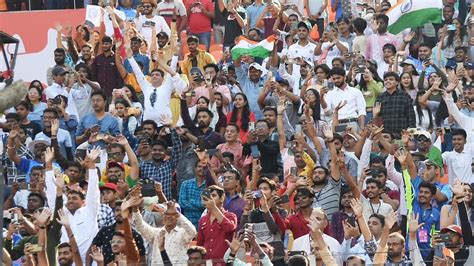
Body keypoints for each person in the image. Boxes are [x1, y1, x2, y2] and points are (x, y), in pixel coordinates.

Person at [140, 116, 181, 199]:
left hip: (166, 203)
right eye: (155, 150)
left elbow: (177, 147)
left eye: (160, 150)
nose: (157, 152)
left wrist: (171, 127)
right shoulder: (143, 165)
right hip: (148, 205)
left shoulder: (169, 164)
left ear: (165, 152)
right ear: (151, 150)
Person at [196, 185, 237, 261]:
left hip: (225, 261)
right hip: (207, 261)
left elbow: (229, 228)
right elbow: (200, 243)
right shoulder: (203, 219)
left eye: (213, 196)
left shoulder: (231, 216)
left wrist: (214, 208)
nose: (210, 199)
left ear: (222, 198)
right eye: (208, 196)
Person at [374, 72, 416, 137]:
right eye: (385, 80)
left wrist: (411, 134)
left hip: (402, 135)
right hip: (385, 136)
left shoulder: (405, 95)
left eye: (391, 79)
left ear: (397, 82)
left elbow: (411, 116)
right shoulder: (380, 97)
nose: (387, 81)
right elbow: (377, 117)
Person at [324, 67, 366, 131]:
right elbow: (327, 113)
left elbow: (361, 111)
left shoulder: (356, 91)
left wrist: (362, 128)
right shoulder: (329, 94)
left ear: (345, 77)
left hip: (352, 123)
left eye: (338, 78)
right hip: (337, 124)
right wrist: (321, 99)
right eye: (334, 79)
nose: (336, 80)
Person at [178, 157, 208, 228]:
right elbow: (182, 203)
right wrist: (200, 204)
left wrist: (190, 201)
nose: (201, 169)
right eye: (199, 166)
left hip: (204, 224)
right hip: (187, 223)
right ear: (195, 169)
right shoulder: (185, 184)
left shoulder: (209, 185)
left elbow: (207, 206)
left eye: (204, 167)